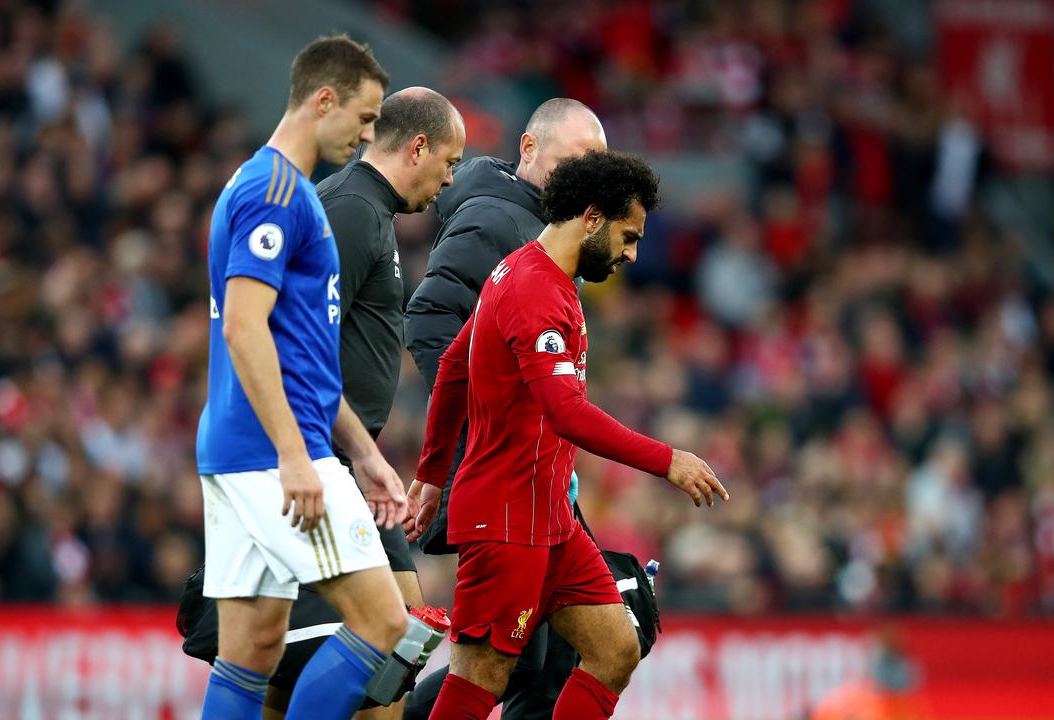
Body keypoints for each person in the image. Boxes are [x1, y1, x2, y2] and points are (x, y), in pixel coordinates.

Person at [406, 150, 729, 720]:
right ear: (593, 218)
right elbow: (568, 414)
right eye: (628, 237)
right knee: (482, 676)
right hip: (507, 519)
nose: (632, 254)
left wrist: (433, 476)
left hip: (550, 517)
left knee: (616, 648)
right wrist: (667, 460)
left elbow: (455, 369)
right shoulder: (535, 291)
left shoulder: (527, 271)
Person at [195, 35, 410, 720]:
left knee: (251, 649)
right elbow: (243, 327)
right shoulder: (277, 191)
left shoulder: (271, 186)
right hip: (273, 452)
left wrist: (366, 452)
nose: (371, 134)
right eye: (367, 117)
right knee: (386, 624)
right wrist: (297, 454)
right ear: (324, 100)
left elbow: (302, 352)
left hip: (241, 450)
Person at [259, 87, 466, 720]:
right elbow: (290, 339)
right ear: (418, 146)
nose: (450, 179)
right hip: (319, 464)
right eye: (450, 162)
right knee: (368, 646)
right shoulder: (350, 210)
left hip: (350, 463)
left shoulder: (367, 210)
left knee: (392, 647)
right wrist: (313, 459)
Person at [402, 98, 609, 719]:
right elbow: (431, 315)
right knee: (521, 660)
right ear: (527, 149)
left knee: (540, 660)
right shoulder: (496, 219)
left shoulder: (545, 228)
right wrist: (491, 417)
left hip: (533, 473)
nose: (585, 177)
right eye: (574, 161)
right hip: (505, 475)